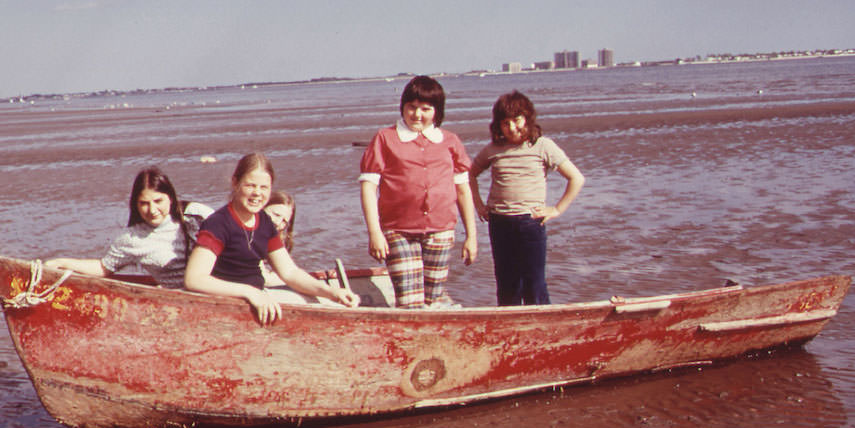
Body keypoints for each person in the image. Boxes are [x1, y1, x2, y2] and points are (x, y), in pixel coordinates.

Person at [185, 153, 359, 324]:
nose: (257, 194)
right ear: (235, 183)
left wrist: (332, 292)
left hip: (259, 295)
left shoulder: (265, 222)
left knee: (329, 305)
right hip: (227, 302)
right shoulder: (218, 223)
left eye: (264, 188)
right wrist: (250, 293)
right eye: (250, 186)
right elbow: (194, 279)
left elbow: (290, 272)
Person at [359, 75, 478, 308]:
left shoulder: (450, 141)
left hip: (441, 230)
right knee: (409, 302)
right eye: (411, 107)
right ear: (402, 107)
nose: (417, 114)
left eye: (425, 108)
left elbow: (463, 191)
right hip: (398, 230)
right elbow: (368, 187)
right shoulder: (385, 138)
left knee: (433, 298)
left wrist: (472, 237)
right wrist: (375, 233)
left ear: (437, 111)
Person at [469, 90, 585, 306]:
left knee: (534, 282)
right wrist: (478, 205)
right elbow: (471, 174)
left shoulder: (543, 146)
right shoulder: (493, 150)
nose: (511, 127)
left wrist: (557, 209)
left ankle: (542, 325)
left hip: (530, 223)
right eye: (505, 122)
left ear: (528, 118)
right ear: (497, 126)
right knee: (506, 283)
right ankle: (510, 326)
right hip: (499, 222)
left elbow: (576, 178)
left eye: (516, 120)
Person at [45, 166, 211, 288]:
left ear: (171, 198)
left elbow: (233, 235)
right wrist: (62, 262)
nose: (152, 210)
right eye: (144, 204)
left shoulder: (196, 214)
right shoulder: (132, 239)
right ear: (135, 205)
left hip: (217, 289)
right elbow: (104, 267)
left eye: (158, 201)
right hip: (176, 301)